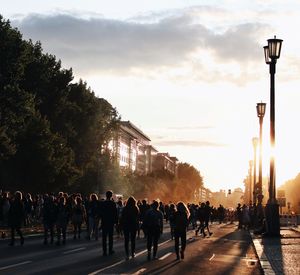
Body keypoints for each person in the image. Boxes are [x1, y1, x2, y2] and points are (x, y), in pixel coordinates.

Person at [100, 190, 118, 256]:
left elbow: (101, 213)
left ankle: (104, 251)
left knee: (104, 237)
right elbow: (115, 213)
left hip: (104, 221)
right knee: (110, 237)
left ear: (106, 195)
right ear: (111, 196)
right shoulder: (113, 203)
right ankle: (110, 250)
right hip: (111, 222)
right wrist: (116, 222)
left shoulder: (103, 203)